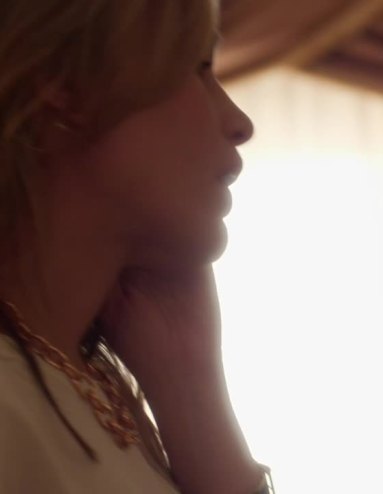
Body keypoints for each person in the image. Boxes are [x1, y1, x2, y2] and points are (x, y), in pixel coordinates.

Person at [0, 1, 274, 492]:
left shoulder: (89, 390)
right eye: (200, 67)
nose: (240, 123)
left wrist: (192, 394)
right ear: (63, 82)